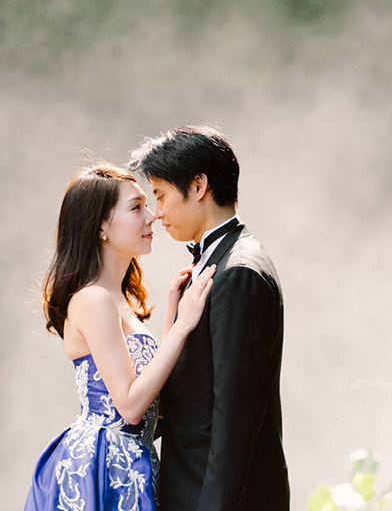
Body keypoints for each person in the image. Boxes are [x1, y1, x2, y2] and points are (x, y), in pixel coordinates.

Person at [24, 163, 215, 511]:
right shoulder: (93, 299)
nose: (152, 217)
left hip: (132, 462)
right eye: (136, 207)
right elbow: (129, 406)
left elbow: (154, 405)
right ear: (101, 226)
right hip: (101, 468)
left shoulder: (120, 301)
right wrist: (183, 325)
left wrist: (172, 315)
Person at [128, 126, 289, 510]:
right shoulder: (216, 263)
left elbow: (235, 419)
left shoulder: (239, 272)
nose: (158, 213)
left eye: (161, 196)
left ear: (198, 186)